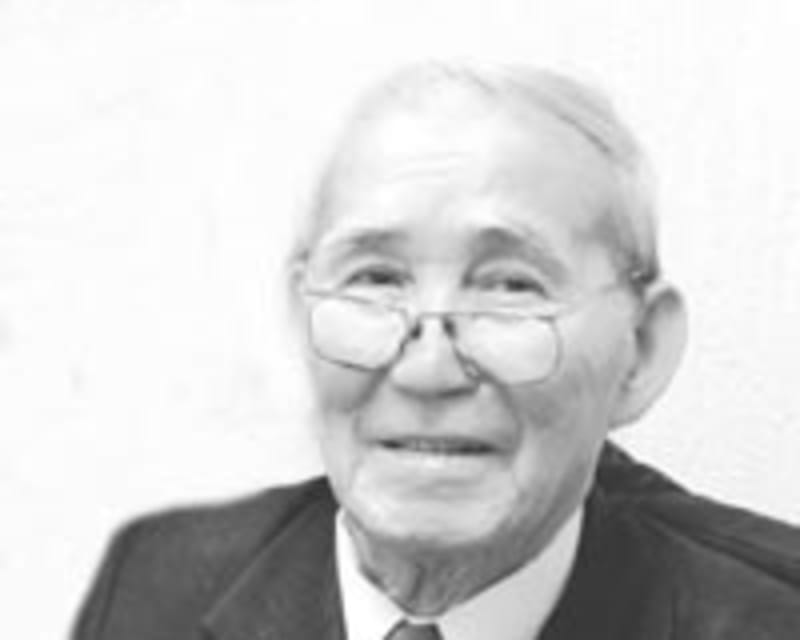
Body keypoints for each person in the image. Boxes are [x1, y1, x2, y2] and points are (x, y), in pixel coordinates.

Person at [72, 62, 800, 640]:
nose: (427, 369)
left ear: (640, 351)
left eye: (510, 286)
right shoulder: (153, 582)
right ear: (301, 316)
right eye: (375, 279)